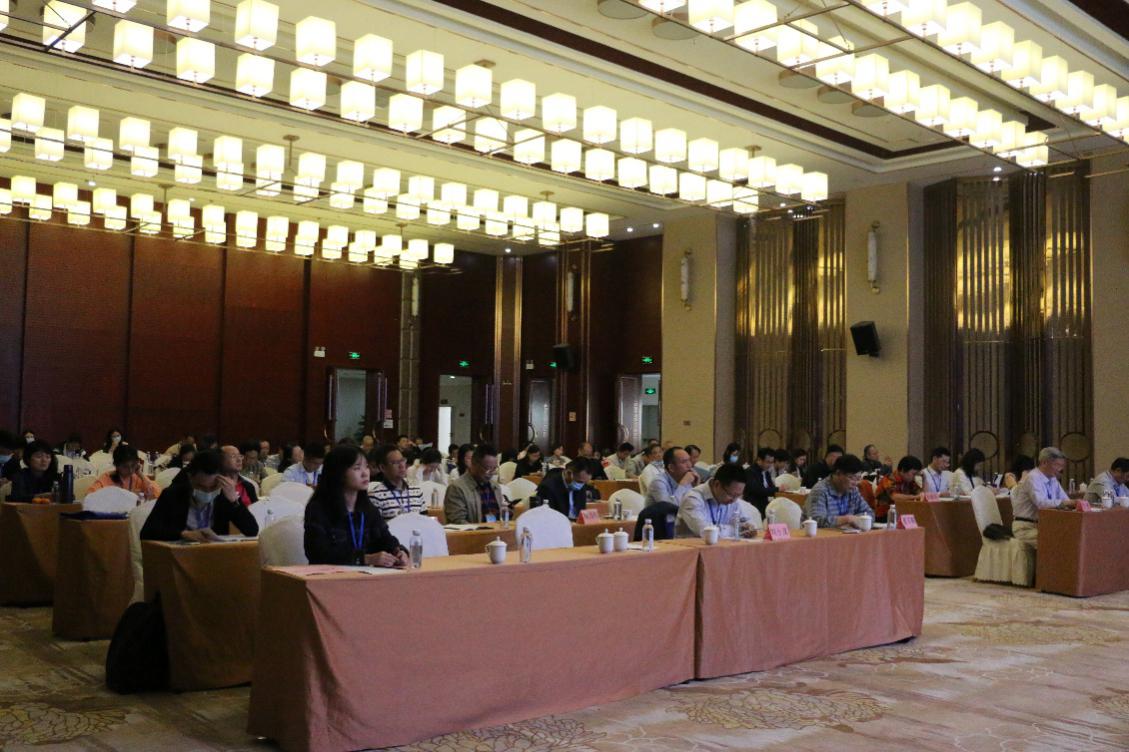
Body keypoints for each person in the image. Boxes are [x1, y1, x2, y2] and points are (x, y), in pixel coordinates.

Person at [303, 446, 408, 567]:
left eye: (366, 467)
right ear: (339, 473)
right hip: (330, 575)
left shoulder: (368, 508)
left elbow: (385, 539)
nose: (365, 473)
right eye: (357, 468)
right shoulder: (318, 509)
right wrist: (365, 559)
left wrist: (398, 551)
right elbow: (318, 554)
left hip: (366, 575)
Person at [140, 450, 259, 541]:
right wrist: (183, 534)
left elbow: (252, 530)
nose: (207, 492)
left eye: (213, 487)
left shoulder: (224, 496)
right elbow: (147, 532)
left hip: (212, 555)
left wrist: (234, 501)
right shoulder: (173, 494)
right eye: (201, 487)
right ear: (190, 478)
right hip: (179, 555)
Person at [1010, 447, 1074, 548]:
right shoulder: (1033, 478)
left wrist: (1074, 504)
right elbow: (1041, 503)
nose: (1061, 470)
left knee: (1070, 536)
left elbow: (1066, 500)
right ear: (1044, 463)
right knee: (1056, 541)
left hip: (1042, 526)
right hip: (1025, 528)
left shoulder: (1053, 479)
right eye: (1057, 465)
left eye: (1062, 466)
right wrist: (1066, 503)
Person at [676, 463, 756, 538]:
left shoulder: (733, 499)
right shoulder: (693, 498)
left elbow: (742, 521)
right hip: (690, 546)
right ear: (717, 484)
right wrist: (736, 529)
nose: (734, 500)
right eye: (731, 495)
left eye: (738, 495)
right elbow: (705, 531)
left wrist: (748, 527)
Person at [805, 453, 874, 528]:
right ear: (838, 473)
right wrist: (847, 519)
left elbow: (869, 513)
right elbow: (816, 521)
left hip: (846, 533)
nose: (855, 483)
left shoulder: (853, 490)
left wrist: (856, 520)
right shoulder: (820, 490)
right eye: (851, 478)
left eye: (858, 478)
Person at [443, 444, 505, 524]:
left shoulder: (495, 487)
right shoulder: (457, 488)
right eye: (487, 468)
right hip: (472, 531)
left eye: (494, 468)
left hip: (495, 530)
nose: (491, 473)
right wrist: (481, 530)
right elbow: (458, 522)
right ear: (474, 464)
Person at [370, 444, 426, 519]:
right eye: (395, 462)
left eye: (402, 460)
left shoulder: (416, 491)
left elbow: (425, 520)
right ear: (383, 468)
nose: (402, 466)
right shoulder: (376, 496)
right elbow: (376, 525)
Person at [88, 445, 161, 500]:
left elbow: (157, 494)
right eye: (125, 467)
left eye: (133, 465)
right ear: (116, 465)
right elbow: (90, 498)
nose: (130, 470)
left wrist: (141, 475)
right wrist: (127, 495)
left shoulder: (137, 477)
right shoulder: (107, 478)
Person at [742, 447, 777, 515]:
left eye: (772, 462)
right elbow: (758, 490)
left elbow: (771, 487)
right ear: (759, 460)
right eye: (768, 462)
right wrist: (777, 489)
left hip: (764, 504)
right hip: (753, 506)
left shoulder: (766, 472)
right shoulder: (750, 472)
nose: (770, 465)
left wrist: (779, 490)